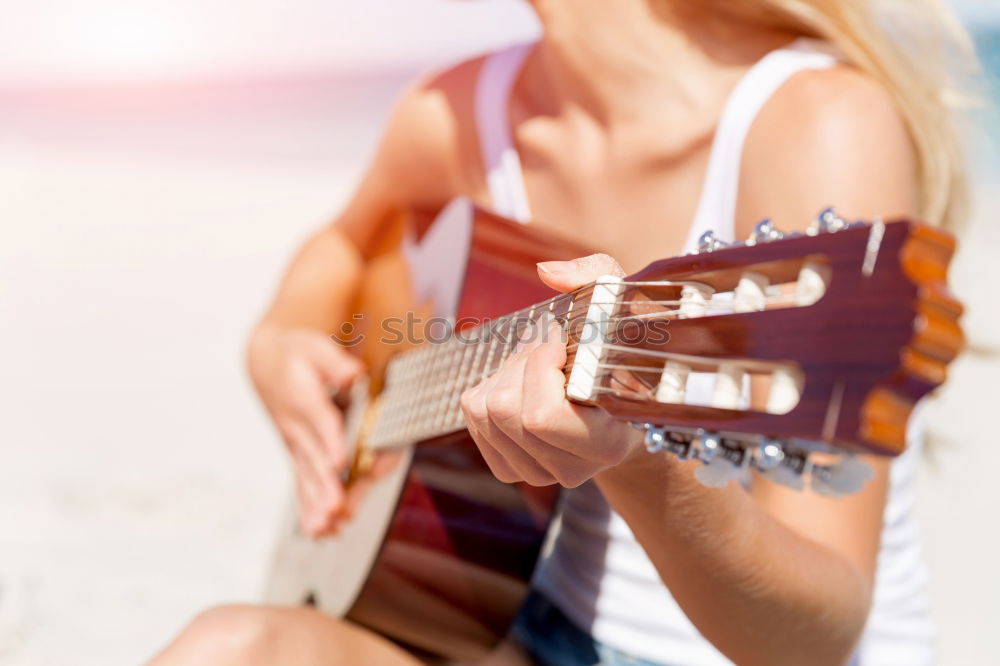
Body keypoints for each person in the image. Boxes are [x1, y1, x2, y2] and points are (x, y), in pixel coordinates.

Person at [148, 1, 971, 664]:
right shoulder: (458, 110)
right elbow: (344, 241)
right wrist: (280, 335)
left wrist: (637, 463)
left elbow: (813, 639)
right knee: (229, 646)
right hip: (520, 620)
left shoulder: (816, 122)